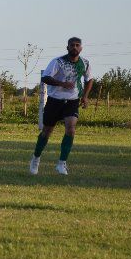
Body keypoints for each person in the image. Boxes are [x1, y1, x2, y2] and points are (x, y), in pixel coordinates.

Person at [30, 37, 93, 176]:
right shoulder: (57, 61)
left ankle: (61, 163)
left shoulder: (85, 63)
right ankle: (36, 159)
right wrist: (62, 84)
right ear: (67, 47)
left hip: (72, 102)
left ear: (81, 48)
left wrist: (85, 96)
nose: (75, 47)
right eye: (72, 45)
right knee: (47, 132)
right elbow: (45, 78)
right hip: (55, 100)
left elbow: (89, 79)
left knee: (71, 129)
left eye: (77, 45)